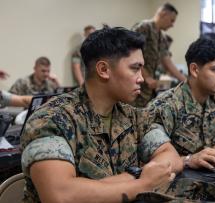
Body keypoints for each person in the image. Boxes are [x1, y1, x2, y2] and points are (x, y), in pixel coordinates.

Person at [20, 27, 183, 203]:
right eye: (135, 69)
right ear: (104, 69)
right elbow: (61, 196)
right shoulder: (52, 119)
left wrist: (131, 177)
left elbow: (172, 156)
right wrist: (142, 183)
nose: (141, 79)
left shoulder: (132, 115)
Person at [149, 38, 215, 170]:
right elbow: (152, 162)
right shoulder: (164, 106)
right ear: (194, 70)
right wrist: (188, 160)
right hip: (179, 181)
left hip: (211, 175)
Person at [132, 3, 186, 107]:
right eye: (172, 20)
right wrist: (146, 77)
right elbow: (130, 53)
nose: (172, 25)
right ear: (163, 14)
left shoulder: (162, 37)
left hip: (149, 88)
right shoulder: (144, 27)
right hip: (137, 84)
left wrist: (184, 80)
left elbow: (167, 61)